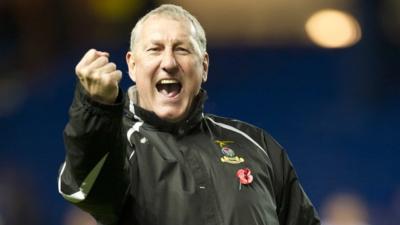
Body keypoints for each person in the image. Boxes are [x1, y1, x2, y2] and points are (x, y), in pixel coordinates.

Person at [58, 4, 320, 225]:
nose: (169, 63)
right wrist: (96, 107)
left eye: (182, 49)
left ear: (204, 66)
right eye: (155, 49)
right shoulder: (119, 147)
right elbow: (88, 190)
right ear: (132, 65)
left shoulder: (257, 145)